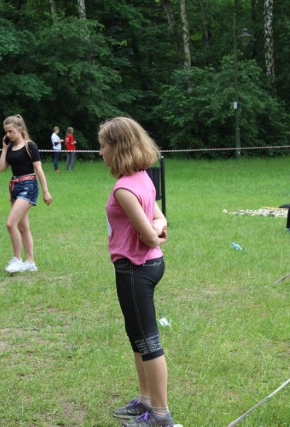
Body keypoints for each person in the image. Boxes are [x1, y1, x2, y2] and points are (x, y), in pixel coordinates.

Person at [99, 117, 175, 427]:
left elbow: (149, 234)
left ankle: (160, 414)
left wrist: (156, 231)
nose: (100, 152)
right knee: (137, 336)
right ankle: (145, 401)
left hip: (135, 269)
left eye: (103, 146)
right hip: (148, 265)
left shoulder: (124, 190)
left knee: (148, 341)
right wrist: (159, 228)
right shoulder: (143, 177)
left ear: (118, 148)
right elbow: (159, 217)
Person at [0, 114, 52, 273]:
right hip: (14, 186)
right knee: (23, 227)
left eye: (10, 131)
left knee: (10, 223)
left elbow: (39, 170)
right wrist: (4, 148)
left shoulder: (30, 146)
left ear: (19, 130)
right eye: (6, 132)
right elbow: (2, 168)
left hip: (28, 186)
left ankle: (17, 259)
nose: (7, 135)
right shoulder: (10, 147)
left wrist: (46, 191)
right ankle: (30, 262)